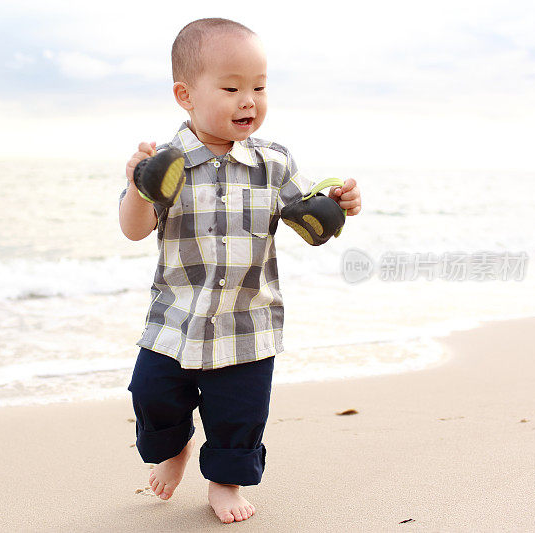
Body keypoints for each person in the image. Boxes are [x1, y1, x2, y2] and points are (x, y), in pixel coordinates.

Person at [118, 17, 362, 524]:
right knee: (151, 394)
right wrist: (140, 188)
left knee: (240, 415)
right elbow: (133, 228)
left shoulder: (274, 163)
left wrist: (339, 202)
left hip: (248, 322)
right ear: (185, 95)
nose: (248, 100)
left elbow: (310, 214)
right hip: (175, 320)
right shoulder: (166, 163)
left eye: (259, 87)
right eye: (231, 88)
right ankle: (174, 446)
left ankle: (225, 481)